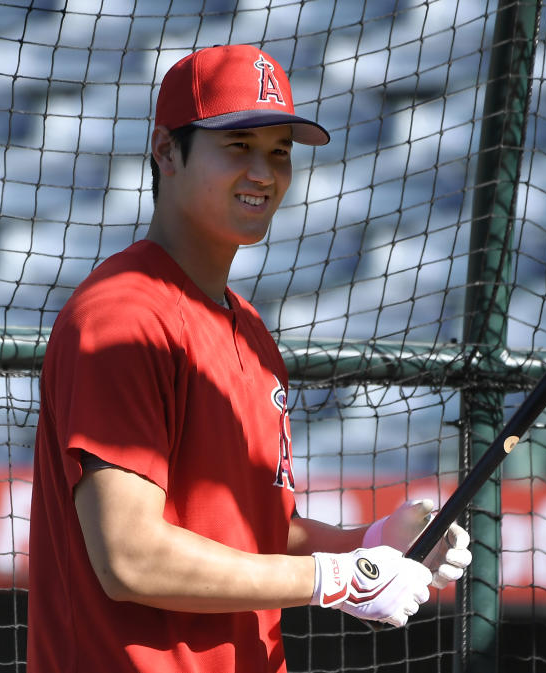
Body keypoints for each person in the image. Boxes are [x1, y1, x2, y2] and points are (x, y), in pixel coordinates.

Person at [26, 44, 471, 672]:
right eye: (237, 146)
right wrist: (335, 579)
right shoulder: (121, 315)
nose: (263, 172)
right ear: (165, 151)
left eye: (279, 151)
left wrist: (371, 545)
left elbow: (257, 533)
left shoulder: (252, 329)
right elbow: (129, 557)